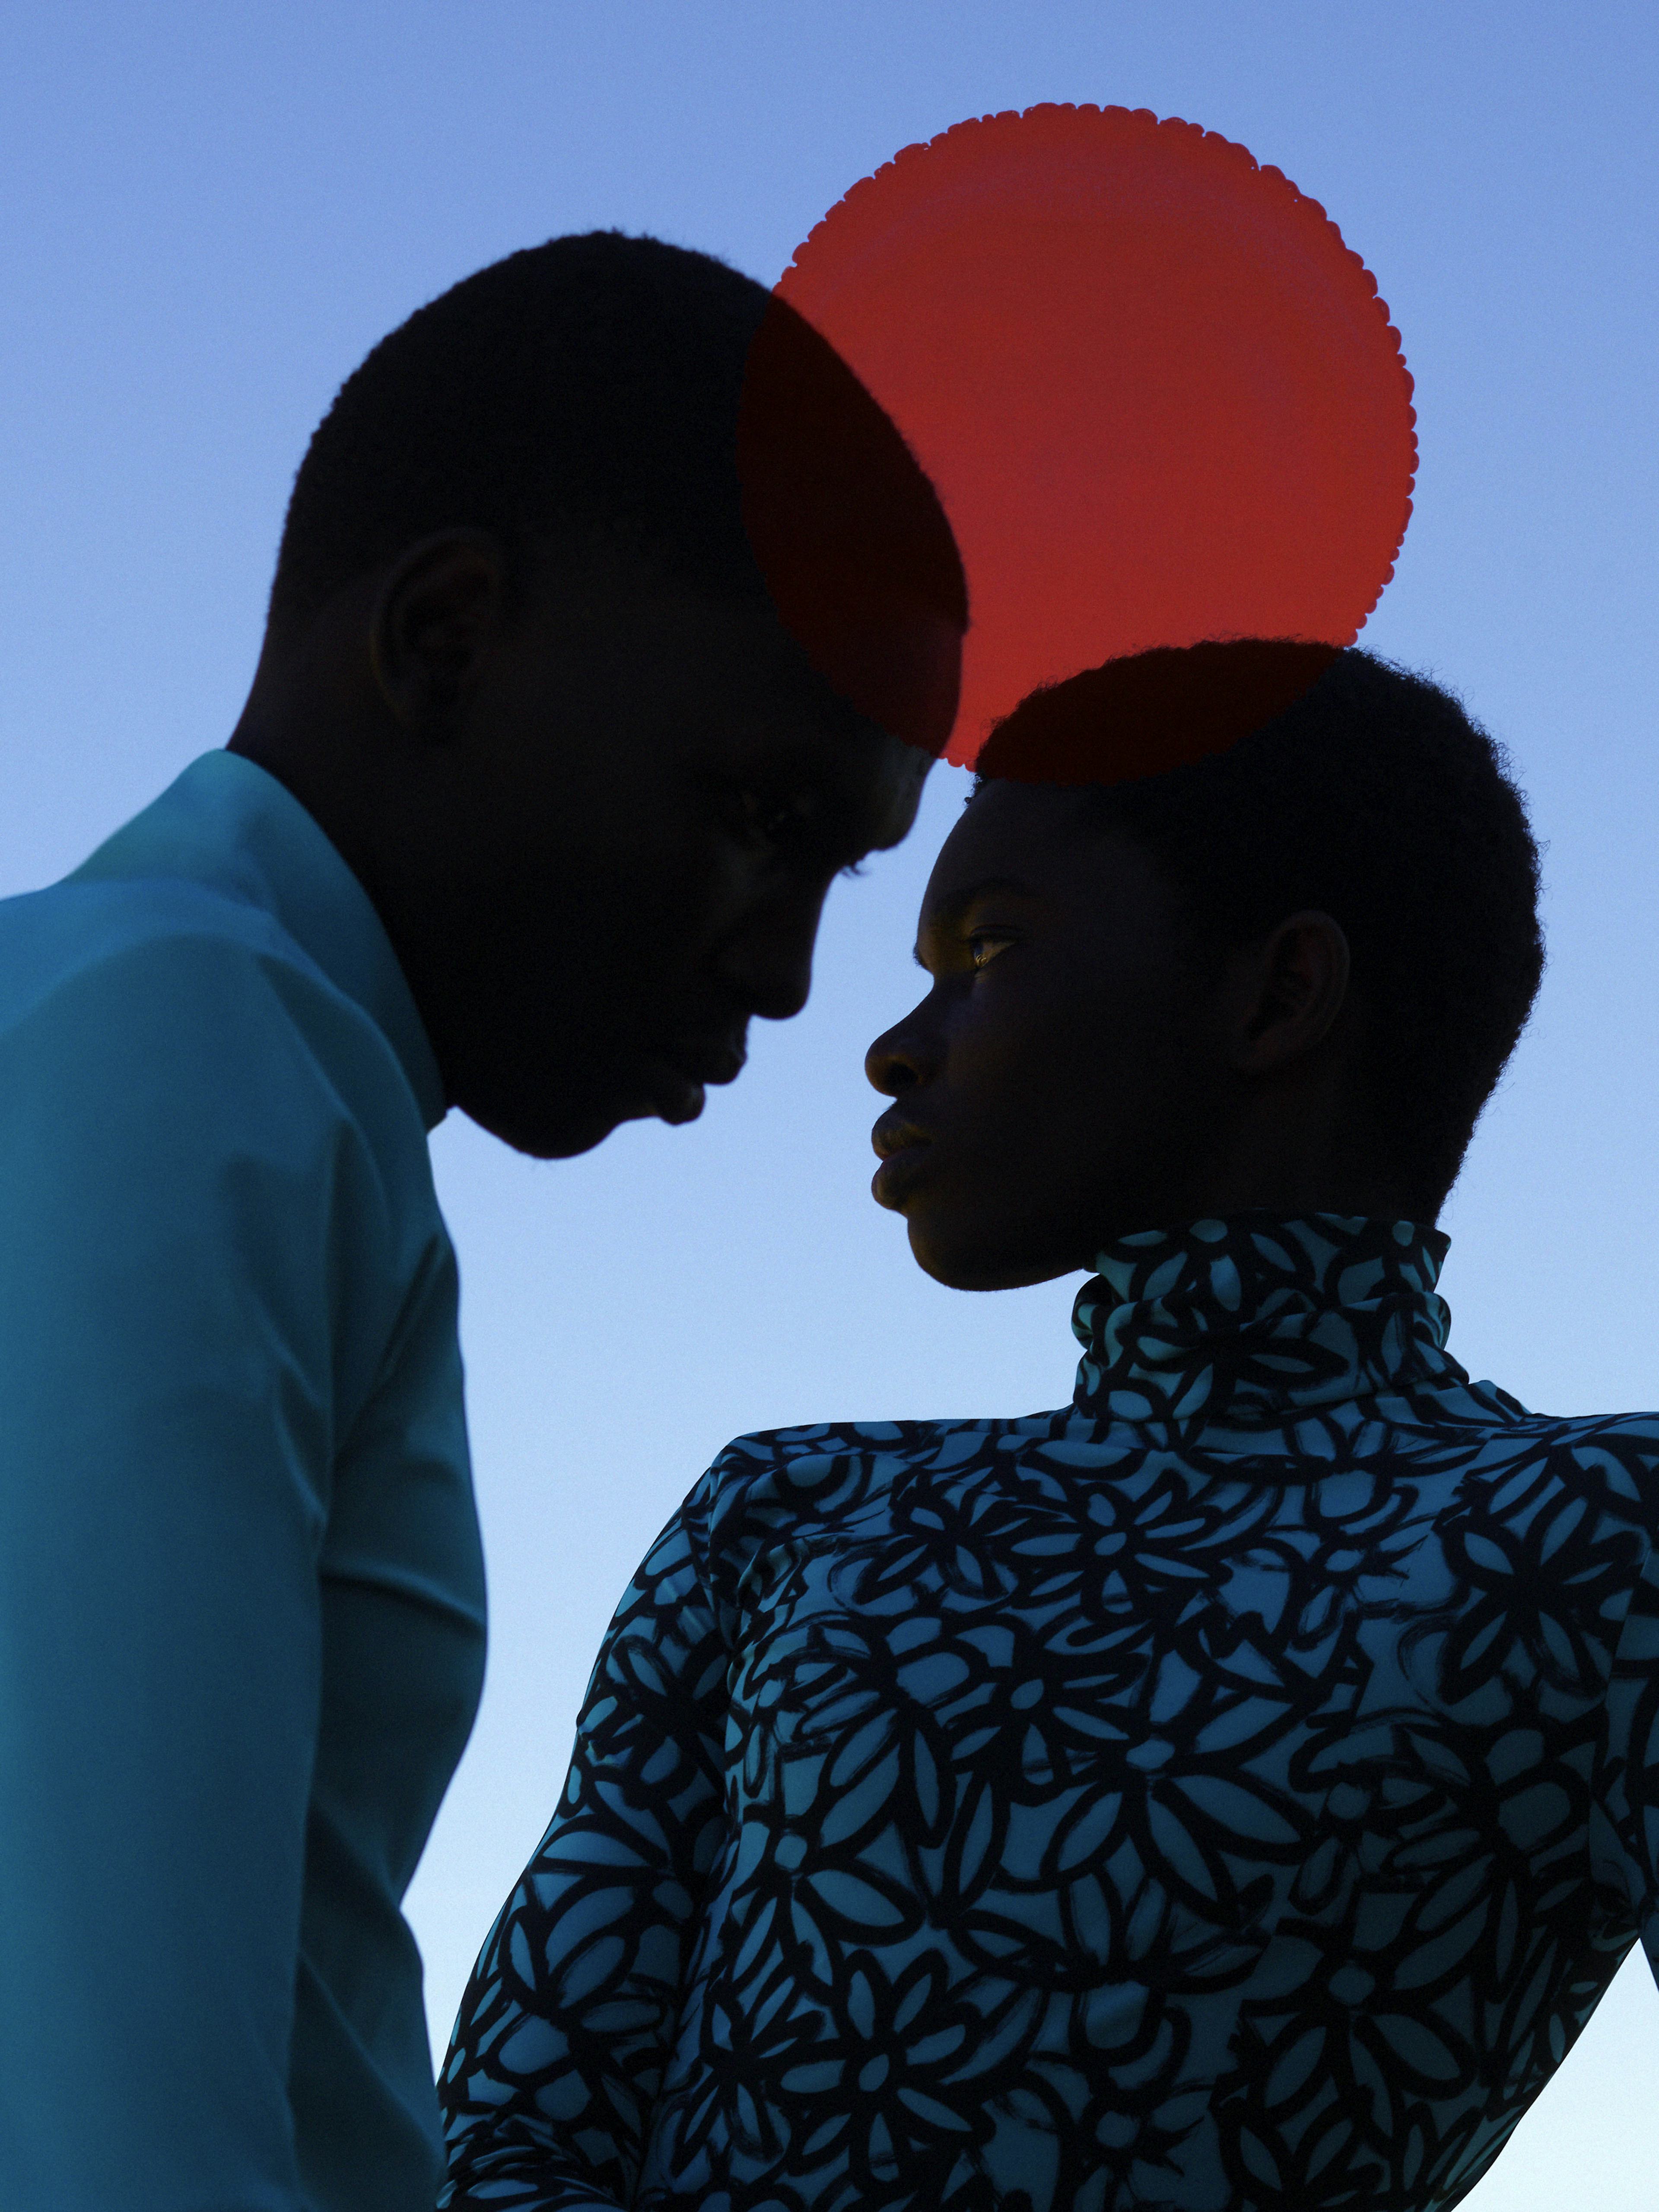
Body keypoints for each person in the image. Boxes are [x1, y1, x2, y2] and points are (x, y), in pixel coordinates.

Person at [440, 643, 1659, 2212]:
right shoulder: (790, 1511)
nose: (897, 1043)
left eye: (987, 947)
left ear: (1279, 991)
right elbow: (516, 2139)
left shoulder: (1593, 1544)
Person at [0, 232, 964, 2212]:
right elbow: (113, 2111)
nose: (784, 977)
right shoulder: (190, 1047)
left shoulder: (209, 1051)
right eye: (764, 817)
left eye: (840, 879)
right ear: (446, 636)